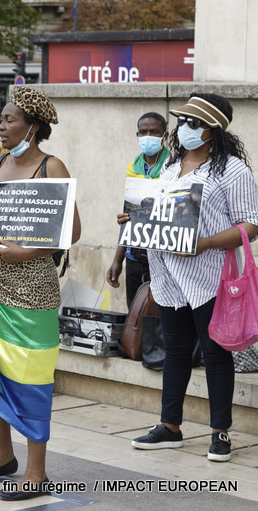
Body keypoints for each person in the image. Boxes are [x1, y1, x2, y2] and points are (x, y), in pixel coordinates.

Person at [0, 86, 81, 501]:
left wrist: (25, 252)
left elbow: (72, 232)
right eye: (1, 119)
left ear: (33, 127)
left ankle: (36, 472)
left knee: (31, 377)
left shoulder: (51, 166)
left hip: (32, 291)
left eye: (9, 120)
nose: (1, 126)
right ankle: (2, 456)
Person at [127, 93, 258, 463]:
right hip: (169, 278)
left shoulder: (232, 170)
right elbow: (158, 214)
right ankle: (170, 426)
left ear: (212, 129)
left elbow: (251, 224)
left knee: (215, 352)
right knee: (175, 350)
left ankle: (220, 432)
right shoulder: (170, 168)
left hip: (209, 276)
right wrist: (134, 218)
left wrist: (205, 244)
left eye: (193, 122)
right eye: (182, 121)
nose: (184, 127)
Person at [106, 112, 171, 308]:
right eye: (143, 132)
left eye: (154, 132)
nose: (148, 136)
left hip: (164, 258)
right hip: (134, 256)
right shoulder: (133, 168)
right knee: (135, 313)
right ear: (137, 135)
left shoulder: (174, 167)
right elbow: (129, 215)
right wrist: (118, 260)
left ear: (165, 135)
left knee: (162, 316)